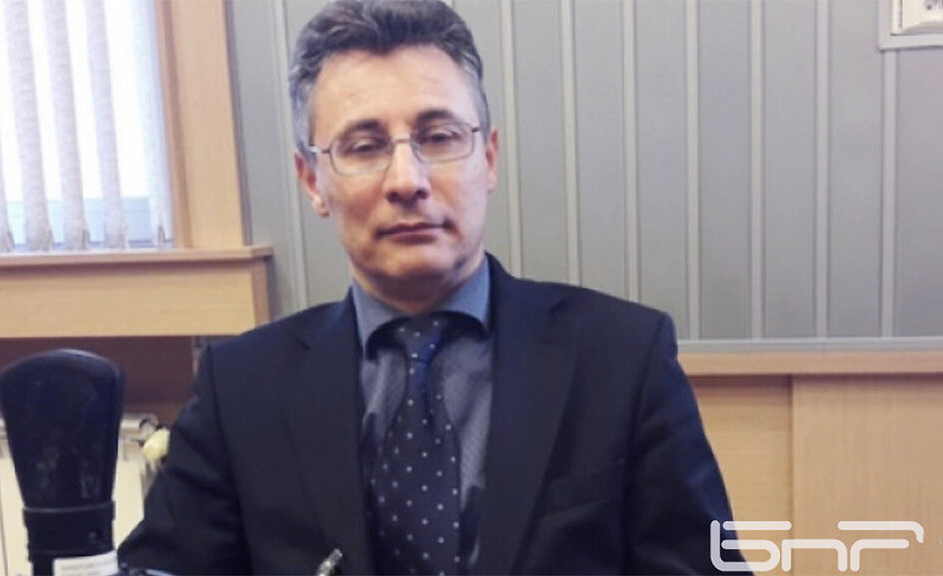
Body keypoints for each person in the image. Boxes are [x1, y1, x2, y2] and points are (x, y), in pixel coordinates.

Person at [119, 1, 747, 574]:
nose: (407, 180)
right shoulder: (240, 387)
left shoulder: (623, 358)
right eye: (364, 146)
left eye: (439, 137)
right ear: (312, 181)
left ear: (488, 158)